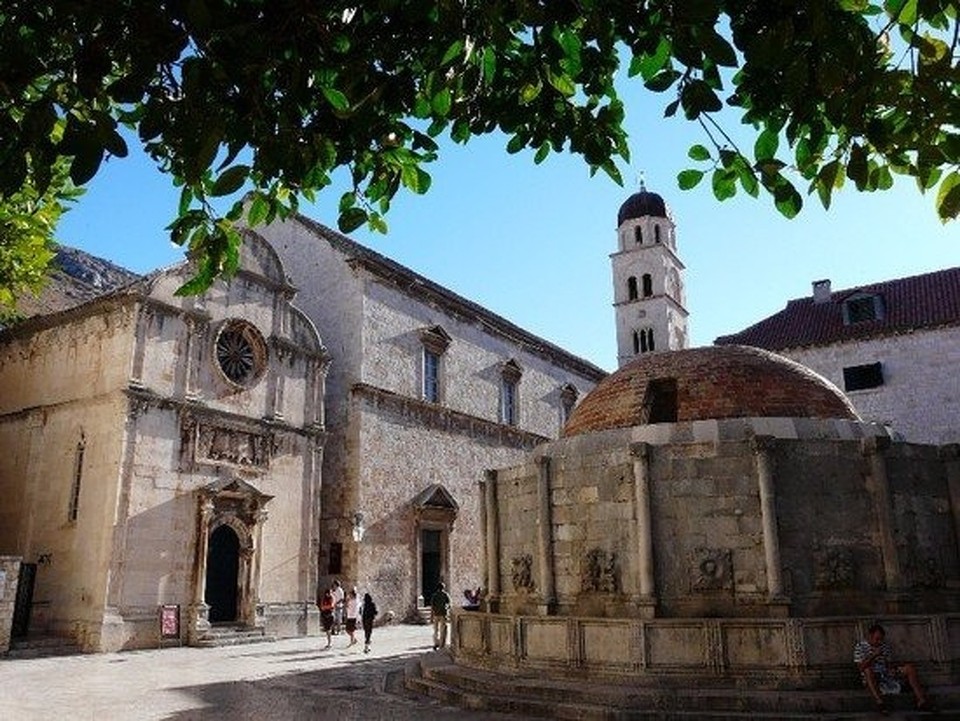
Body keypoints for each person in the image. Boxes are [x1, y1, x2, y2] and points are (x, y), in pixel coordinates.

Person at [853, 623, 931, 714]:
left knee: (910, 668)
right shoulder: (860, 646)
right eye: (877, 639)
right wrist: (873, 656)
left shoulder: (884, 646)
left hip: (885, 674)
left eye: (881, 639)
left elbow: (888, 664)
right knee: (867, 670)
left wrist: (891, 669)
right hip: (872, 676)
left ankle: (921, 700)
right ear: (870, 636)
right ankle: (880, 703)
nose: (879, 642)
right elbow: (861, 667)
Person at [430, 582, 452, 650]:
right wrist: (447, 610)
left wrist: (431, 616)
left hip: (436, 614)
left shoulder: (435, 595)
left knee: (436, 630)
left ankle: (436, 643)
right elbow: (449, 604)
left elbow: (432, 606)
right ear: (443, 588)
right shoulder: (445, 595)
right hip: (443, 614)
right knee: (443, 629)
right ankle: (442, 644)